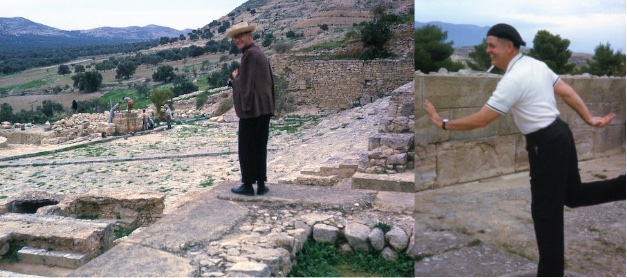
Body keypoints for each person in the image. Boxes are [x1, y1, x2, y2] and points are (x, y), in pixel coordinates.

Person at [423, 23, 625, 277]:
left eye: (492, 45)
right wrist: (588, 118)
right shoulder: (535, 65)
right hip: (561, 133)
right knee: (572, 196)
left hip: (546, 144)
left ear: (509, 47)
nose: (488, 51)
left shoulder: (513, 79)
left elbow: (482, 119)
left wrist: (443, 124)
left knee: (545, 213)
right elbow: (567, 92)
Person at [226, 22, 276, 196]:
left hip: (252, 110)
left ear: (249, 35)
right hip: (264, 108)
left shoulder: (249, 55)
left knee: (246, 147)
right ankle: (261, 184)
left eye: (241, 36)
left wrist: (234, 79)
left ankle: (247, 185)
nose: (238, 40)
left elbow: (246, 85)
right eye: (235, 37)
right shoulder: (259, 53)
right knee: (259, 146)